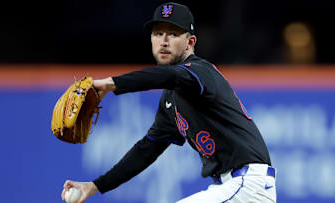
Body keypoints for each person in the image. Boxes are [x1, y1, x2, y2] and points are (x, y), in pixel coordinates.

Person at [61, 2, 277, 203]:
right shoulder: (170, 100)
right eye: (158, 33)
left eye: (173, 34)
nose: (164, 40)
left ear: (190, 42)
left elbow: (169, 76)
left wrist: (111, 83)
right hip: (231, 188)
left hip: (248, 185)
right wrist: (95, 186)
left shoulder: (199, 72)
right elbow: (146, 150)